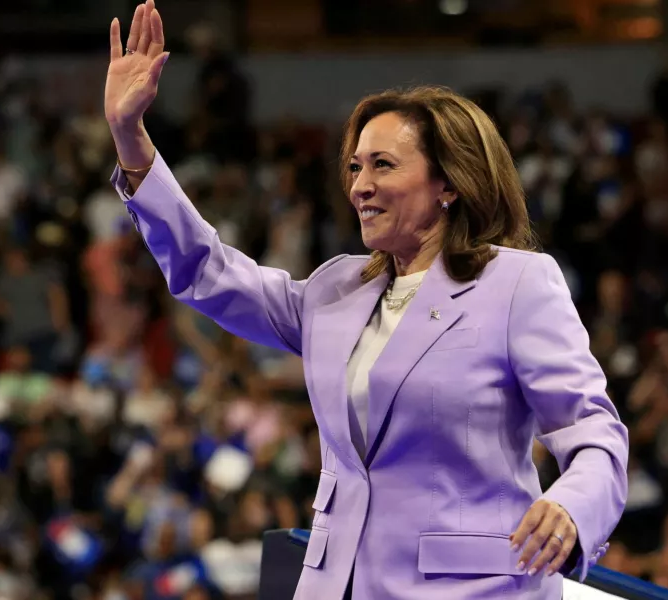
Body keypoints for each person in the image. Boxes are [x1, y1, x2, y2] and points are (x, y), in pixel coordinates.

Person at [102, 2, 629, 598]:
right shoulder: (335, 290)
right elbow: (207, 268)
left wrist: (571, 507)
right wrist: (131, 139)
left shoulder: (516, 285)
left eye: (383, 165)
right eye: (354, 167)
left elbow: (591, 429)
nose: (359, 186)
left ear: (450, 183)